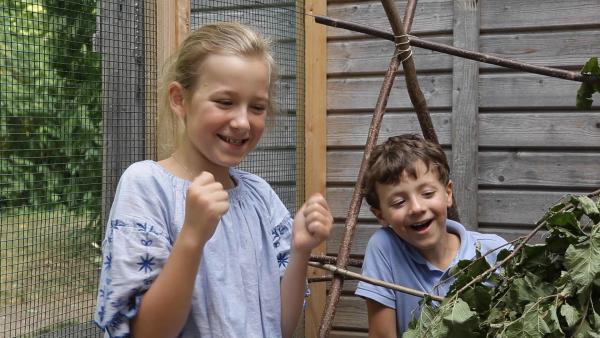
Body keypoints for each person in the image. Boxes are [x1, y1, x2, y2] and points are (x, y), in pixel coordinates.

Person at [94, 22, 333, 338]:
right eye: (225, 102)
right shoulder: (146, 186)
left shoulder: (260, 196)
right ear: (180, 99)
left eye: (257, 107)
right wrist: (192, 236)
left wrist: (301, 249)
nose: (242, 121)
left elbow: (282, 326)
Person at [354, 134, 507, 337]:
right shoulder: (385, 247)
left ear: (448, 193)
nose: (417, 208)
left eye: (427, 194)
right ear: (381, 215)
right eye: (399, 202)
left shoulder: (496, 252)